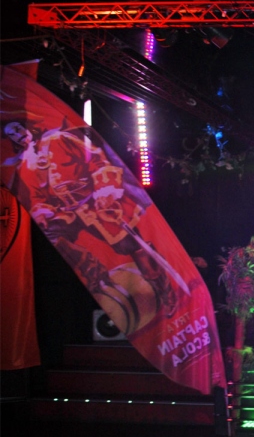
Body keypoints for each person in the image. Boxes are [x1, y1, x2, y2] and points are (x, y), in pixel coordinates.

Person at [2, 120, 180, 325]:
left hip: (96, 201)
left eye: (17, 129)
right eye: (12, 135)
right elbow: (36, 197)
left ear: (27, 127)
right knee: (52, 233)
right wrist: (43, 211)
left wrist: (106, 191)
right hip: (67, 212)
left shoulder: (58, 139)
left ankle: (165, 291)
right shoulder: (27, 164)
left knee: (130, 245)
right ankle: (93, 269)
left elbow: (96, 158)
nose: (18, 135)